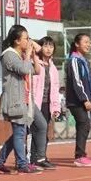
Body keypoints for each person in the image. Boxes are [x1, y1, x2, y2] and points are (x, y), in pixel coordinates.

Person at [0, 25, 43, 175]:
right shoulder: (9, 55)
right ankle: (21, 164)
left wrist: (34, 55)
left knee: (20, 132)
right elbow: (24, 69)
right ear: (17, 41)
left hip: (24, 99)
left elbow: (37, 70)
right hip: (15, 99)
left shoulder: (20, 55)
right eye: (26, 38)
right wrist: (27, 55)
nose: (29, 41)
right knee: (20, 132)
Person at [65, 33, 91, 167]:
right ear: (77, 44)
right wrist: (85, 99)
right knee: (84, 124)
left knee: (84, 125)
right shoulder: (74, 60)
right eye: (85, 42)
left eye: (89, 42)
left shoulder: (83, 60)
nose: (88, 45)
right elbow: (77, 81)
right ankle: (79, 156)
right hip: (76, 100)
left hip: (83, 99)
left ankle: (81, 155)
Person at [30, 36, 60, 169]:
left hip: (47, 104)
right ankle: (34, 158)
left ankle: (41, 156)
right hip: (36, 103)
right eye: (45, 46)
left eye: (51, 46)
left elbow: (55, 88)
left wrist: (55, 107)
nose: (48, 49)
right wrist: (37, 48)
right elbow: (29, 40)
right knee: (36, 130)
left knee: (44, 131)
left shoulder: (53, 67)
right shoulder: (34, 61)